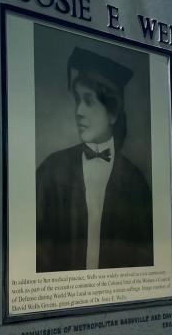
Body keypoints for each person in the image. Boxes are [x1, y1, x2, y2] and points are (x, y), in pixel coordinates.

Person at [36, 47, 153, 272]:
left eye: (88, 101)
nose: (78, 111)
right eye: (78, 100)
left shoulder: (135, 183)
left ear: (113, 112)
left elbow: (144, 257)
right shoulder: (51, 171)